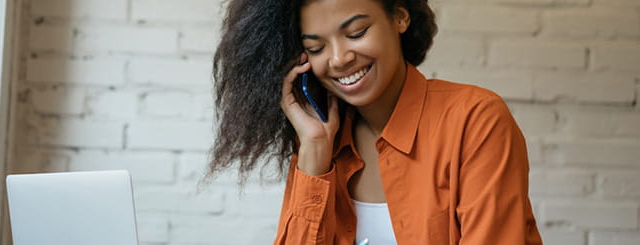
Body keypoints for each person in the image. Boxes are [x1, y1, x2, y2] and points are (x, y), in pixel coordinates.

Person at [209, 0, 543, 244]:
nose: (339, 59)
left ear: (399, 16)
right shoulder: (322, 141)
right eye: (316, 47)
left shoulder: (475, 119)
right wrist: (313, 153)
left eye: (356, 33)